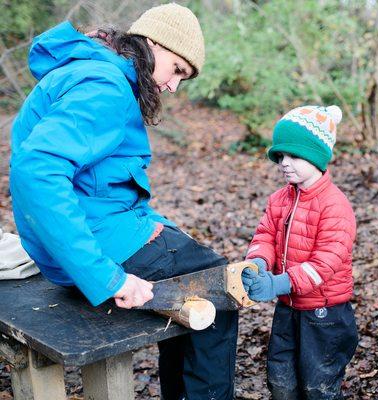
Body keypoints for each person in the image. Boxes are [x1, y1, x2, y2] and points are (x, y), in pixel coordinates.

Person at [9, 4, 237, 399]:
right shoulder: (106, 87)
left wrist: (157, 225)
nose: (173, 86)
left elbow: (103, 184)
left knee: (192, 263)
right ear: (152, 43)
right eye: (177, 70)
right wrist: (106, 277)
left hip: (82, 236)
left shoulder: (94, 70)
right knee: (218, 289)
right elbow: (37, 173)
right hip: (91, 249)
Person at [241, 105, 358, 400]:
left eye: (293, 155)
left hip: (325, 314)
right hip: (288, 307)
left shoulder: (335, 206)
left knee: (318, 384)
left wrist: (279, 283)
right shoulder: (280, 199)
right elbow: (265, 234)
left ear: (317, 155)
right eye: (280, 156)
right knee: (281, 377)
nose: (284, 162)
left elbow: (326, 262)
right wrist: (257, 262)